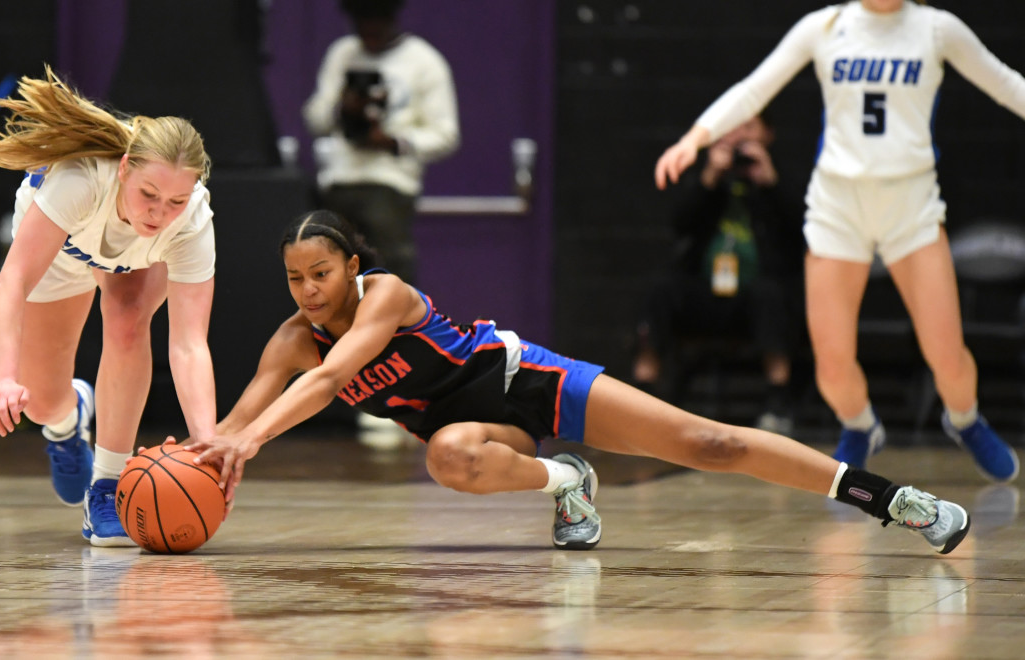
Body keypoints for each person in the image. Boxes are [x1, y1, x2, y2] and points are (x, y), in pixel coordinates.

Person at [183, 210, 971, 555]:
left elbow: (330, 380)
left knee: (710, 441)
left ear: (351, 265)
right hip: (482, 433)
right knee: (448, 458)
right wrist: (207, 450)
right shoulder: (290, 338)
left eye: (320, 273)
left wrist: (251, 439)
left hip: (527, 382)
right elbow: (244, 411)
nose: (308, 291)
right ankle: (566, 480)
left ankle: (889, 500)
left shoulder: (384, 296)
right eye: (294, 280)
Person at [655, 0, 1024, 482]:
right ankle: (860, 425)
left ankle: (965, 419)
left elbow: (1003, 82)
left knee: (948, 358)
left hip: (910, 208)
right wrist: (696, 136)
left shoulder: (936, 29)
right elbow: (754, 89)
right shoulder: (825, 26)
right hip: (837, 208)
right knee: (831, 366)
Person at [0, 65, 219, 546]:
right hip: (61, 255)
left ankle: (107, 486)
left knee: (129, 321)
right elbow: (13, 281)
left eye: (175, 200)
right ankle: (70, 420)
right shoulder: (82, 180)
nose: (159, 212)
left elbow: (190, 344)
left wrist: (207, 443)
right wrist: (2, 380)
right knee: (41, 404)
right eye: (149, 194)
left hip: (134, 264)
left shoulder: (190, 220)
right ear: (125, 169)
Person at [634, 113, 804, 433]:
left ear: (769, 134)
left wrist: (770, 183)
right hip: (706, 291)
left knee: (771, 296)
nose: (739, 137)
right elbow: (679, 223)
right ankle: (641, 396)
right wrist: (710, 176)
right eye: (733, 129)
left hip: (755, 294)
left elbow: (803, 230)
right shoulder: (708, 179)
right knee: (660, 290)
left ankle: (778, 400)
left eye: (749, 128)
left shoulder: (780, 178)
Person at [302, 0, 460, 285]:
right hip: (338, 182)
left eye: (375, 22)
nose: (369, 31)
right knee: (329, 281)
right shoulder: (343, 53)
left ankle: (396, 328)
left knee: (388, 277)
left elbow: (446, 134)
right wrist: (343, 109)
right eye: (362, 23)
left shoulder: (423, 61)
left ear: (391, 18)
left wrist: (393, 142)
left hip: (390, 184)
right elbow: (315, 117)